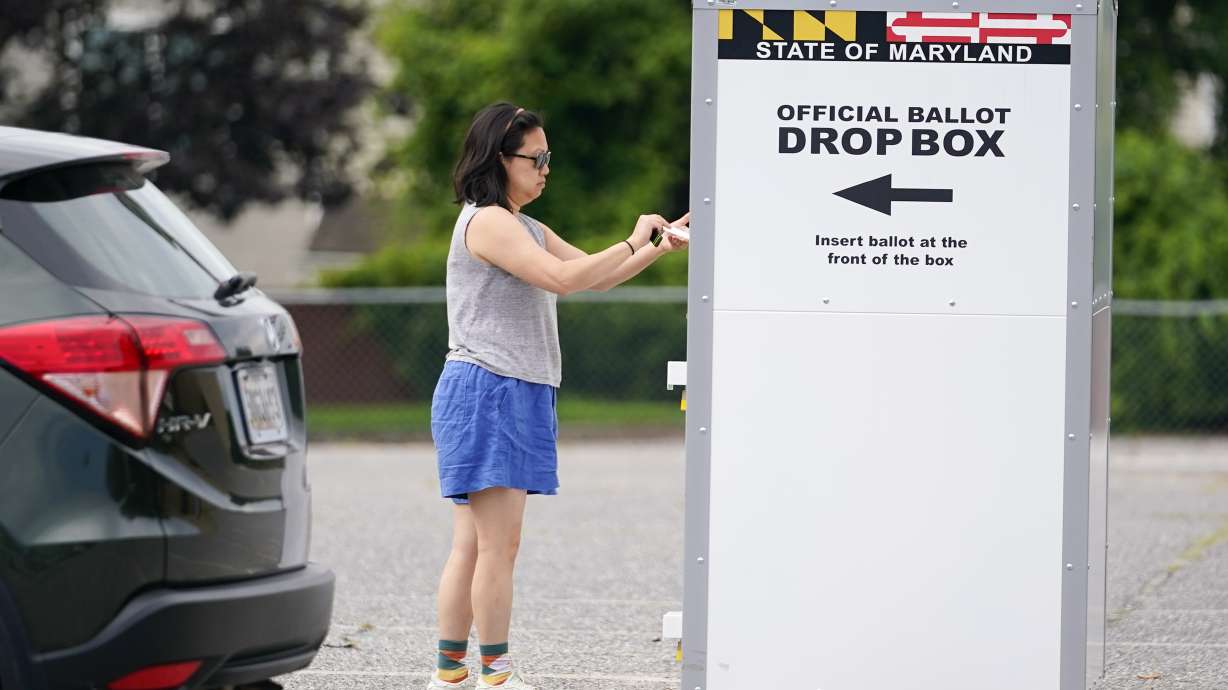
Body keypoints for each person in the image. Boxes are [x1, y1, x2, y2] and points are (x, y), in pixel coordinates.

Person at [424, 102, 689, 689]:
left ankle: (450, 677)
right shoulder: (489, 220)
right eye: (536, 158)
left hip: (508, 389)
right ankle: (491, 676)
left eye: (549, 158)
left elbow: (593, 277)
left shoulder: (525, 226)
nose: (547, 168)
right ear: (501, 158)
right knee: (496, 546)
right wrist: (630, 237)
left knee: (475, 544)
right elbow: (562, 279)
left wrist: (657, 246)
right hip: (489, 387)